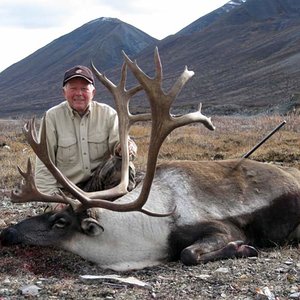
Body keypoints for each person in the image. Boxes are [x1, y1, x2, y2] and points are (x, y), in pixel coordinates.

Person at [35, 65, 137, 208]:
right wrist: (54, 202)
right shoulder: (52, 118)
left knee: (121, 164)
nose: (79, 93)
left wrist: (126, 147)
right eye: (73, 89)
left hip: (99, 188)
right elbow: (43, 166)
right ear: (64, 93)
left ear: (93, 92)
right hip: (67, 192)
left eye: (84, 89)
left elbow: (121, 146)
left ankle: (116, 213)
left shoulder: (108, 114)